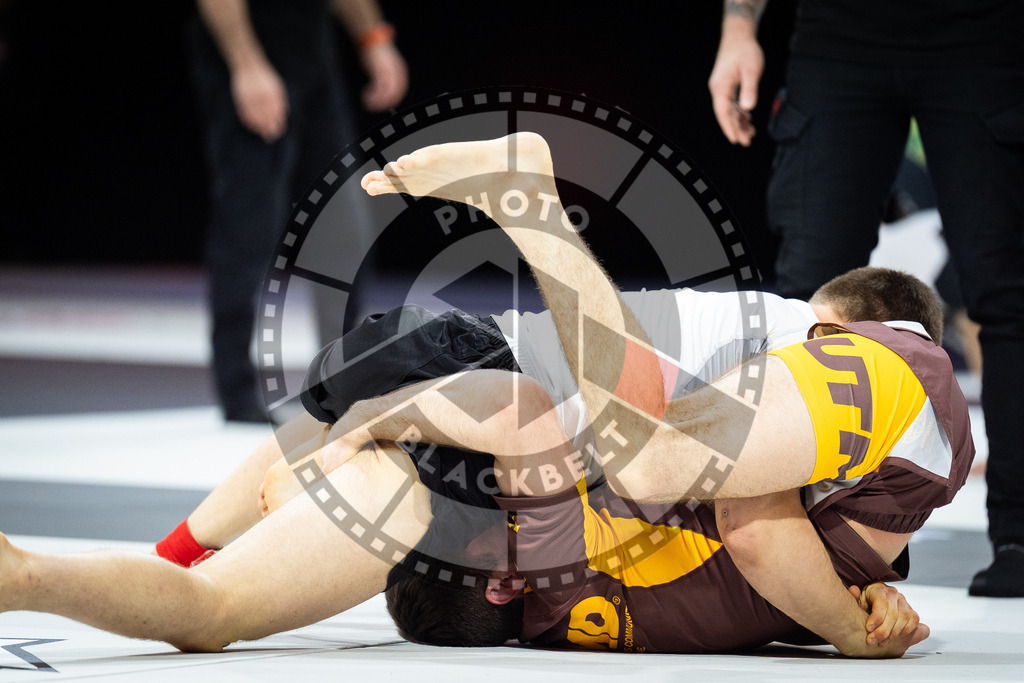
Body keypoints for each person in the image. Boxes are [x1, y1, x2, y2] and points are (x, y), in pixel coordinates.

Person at [0, 134, 957, 659]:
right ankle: (526, 204)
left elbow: (750, 503)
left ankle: (41, 573)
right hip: (511, 396)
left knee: (216, 590)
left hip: (512, 440)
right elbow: (730, 495)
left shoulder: (792, 369)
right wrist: (847, 623)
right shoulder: (798, 341)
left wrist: (856, 605)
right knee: (617, 444)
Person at [707, 0, 1024, 596]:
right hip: (839, 38)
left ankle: (1019, 535)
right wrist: (739, 27)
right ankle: (788, 525)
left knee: (1007, 297)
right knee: (808, 303)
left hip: (985, 38)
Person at [186, 0, 408, 422]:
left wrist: (374, 38)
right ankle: (235, 387)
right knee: (250, 221)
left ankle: (340, 382)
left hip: (311, 48)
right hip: (248, 42)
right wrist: (246, 64)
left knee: (346, 222)